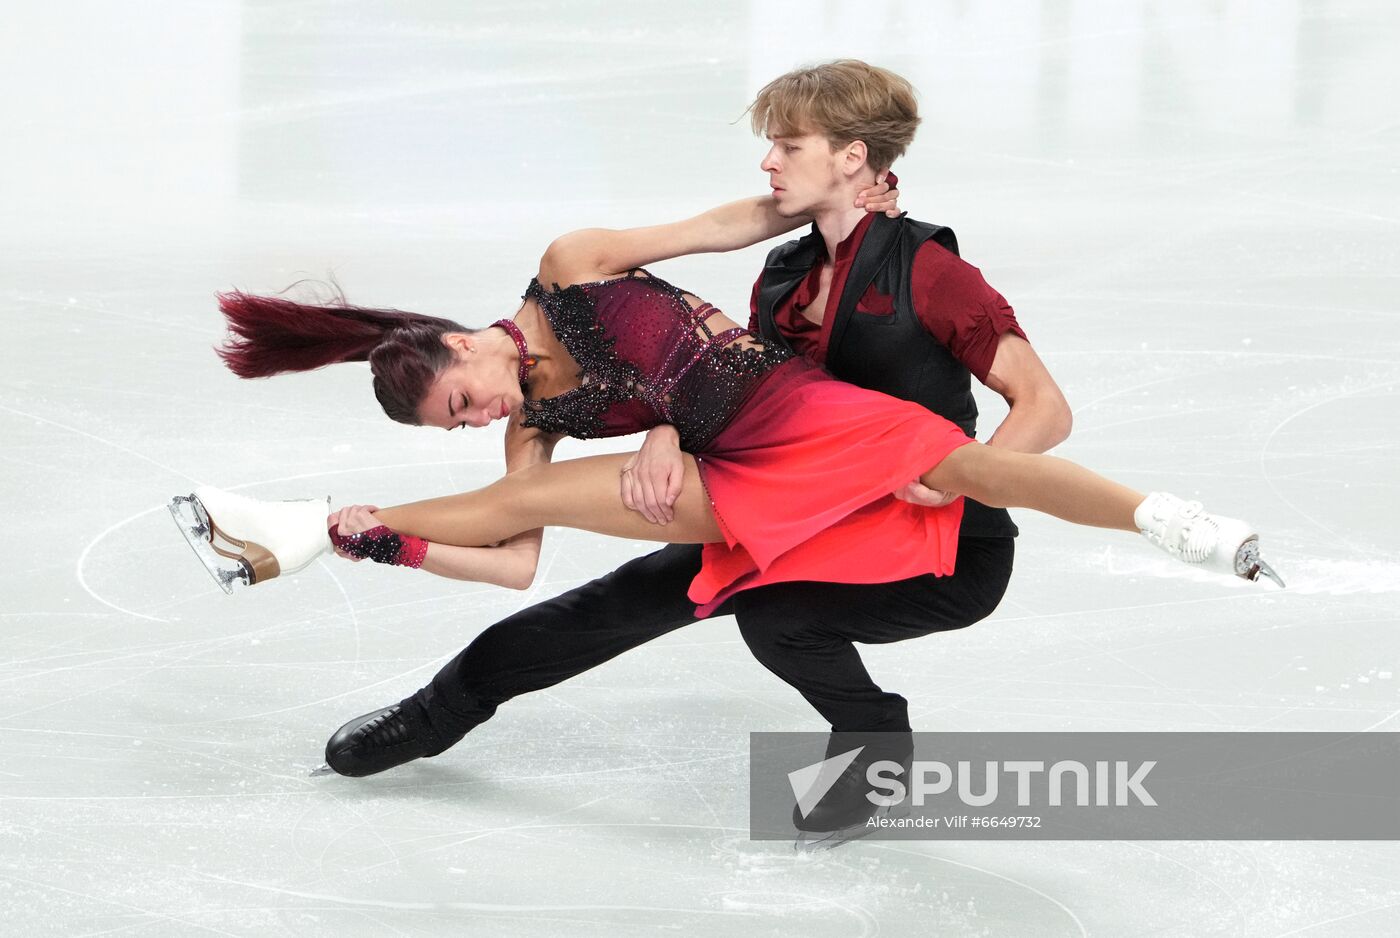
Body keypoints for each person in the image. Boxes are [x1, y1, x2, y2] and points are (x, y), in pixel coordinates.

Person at [172, 62, 1280, 823]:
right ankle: (379, 617)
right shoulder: (783, 279)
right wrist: (397, 541)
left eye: (785, 149)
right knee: (581, 588)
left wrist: (934, 494)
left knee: (803, 585)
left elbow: (1033, 408)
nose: (476, 422)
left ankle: (898, 727)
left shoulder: (920, 272)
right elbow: (549, 516)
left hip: (888, 495)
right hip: (748, 478)